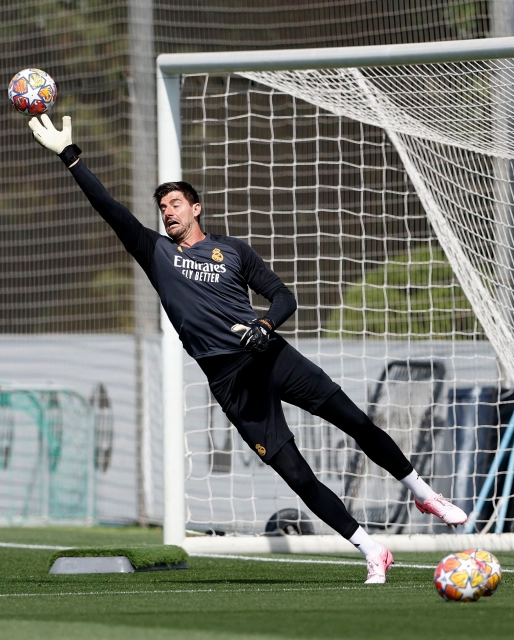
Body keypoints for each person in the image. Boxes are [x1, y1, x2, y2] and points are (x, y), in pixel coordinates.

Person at [28, 114, 467, 584]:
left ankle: (421, 491)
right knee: (295, 473)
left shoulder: (232, 251)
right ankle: (371, 549)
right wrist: (70, 157)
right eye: (163, 208)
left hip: (268, 354)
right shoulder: (156, 253)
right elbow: (110, 209)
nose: (168, 213)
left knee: (355, 420)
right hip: (230, 379)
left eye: (176, 204)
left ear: (197, 209)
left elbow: (284, 297)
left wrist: (265, 323)